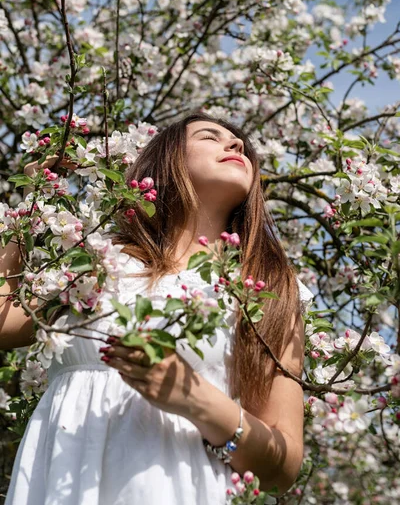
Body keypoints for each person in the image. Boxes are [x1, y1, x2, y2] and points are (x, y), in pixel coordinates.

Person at [1, 112, 313, 504]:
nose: (235, 146)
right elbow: (4, 325)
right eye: (210, 137)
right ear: (166, 161)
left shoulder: (268, 291)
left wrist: (198, 400)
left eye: (241, 146)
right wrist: (34, 203)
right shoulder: (98, 260)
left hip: (180, 486)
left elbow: (281, 470)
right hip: (64, 479)